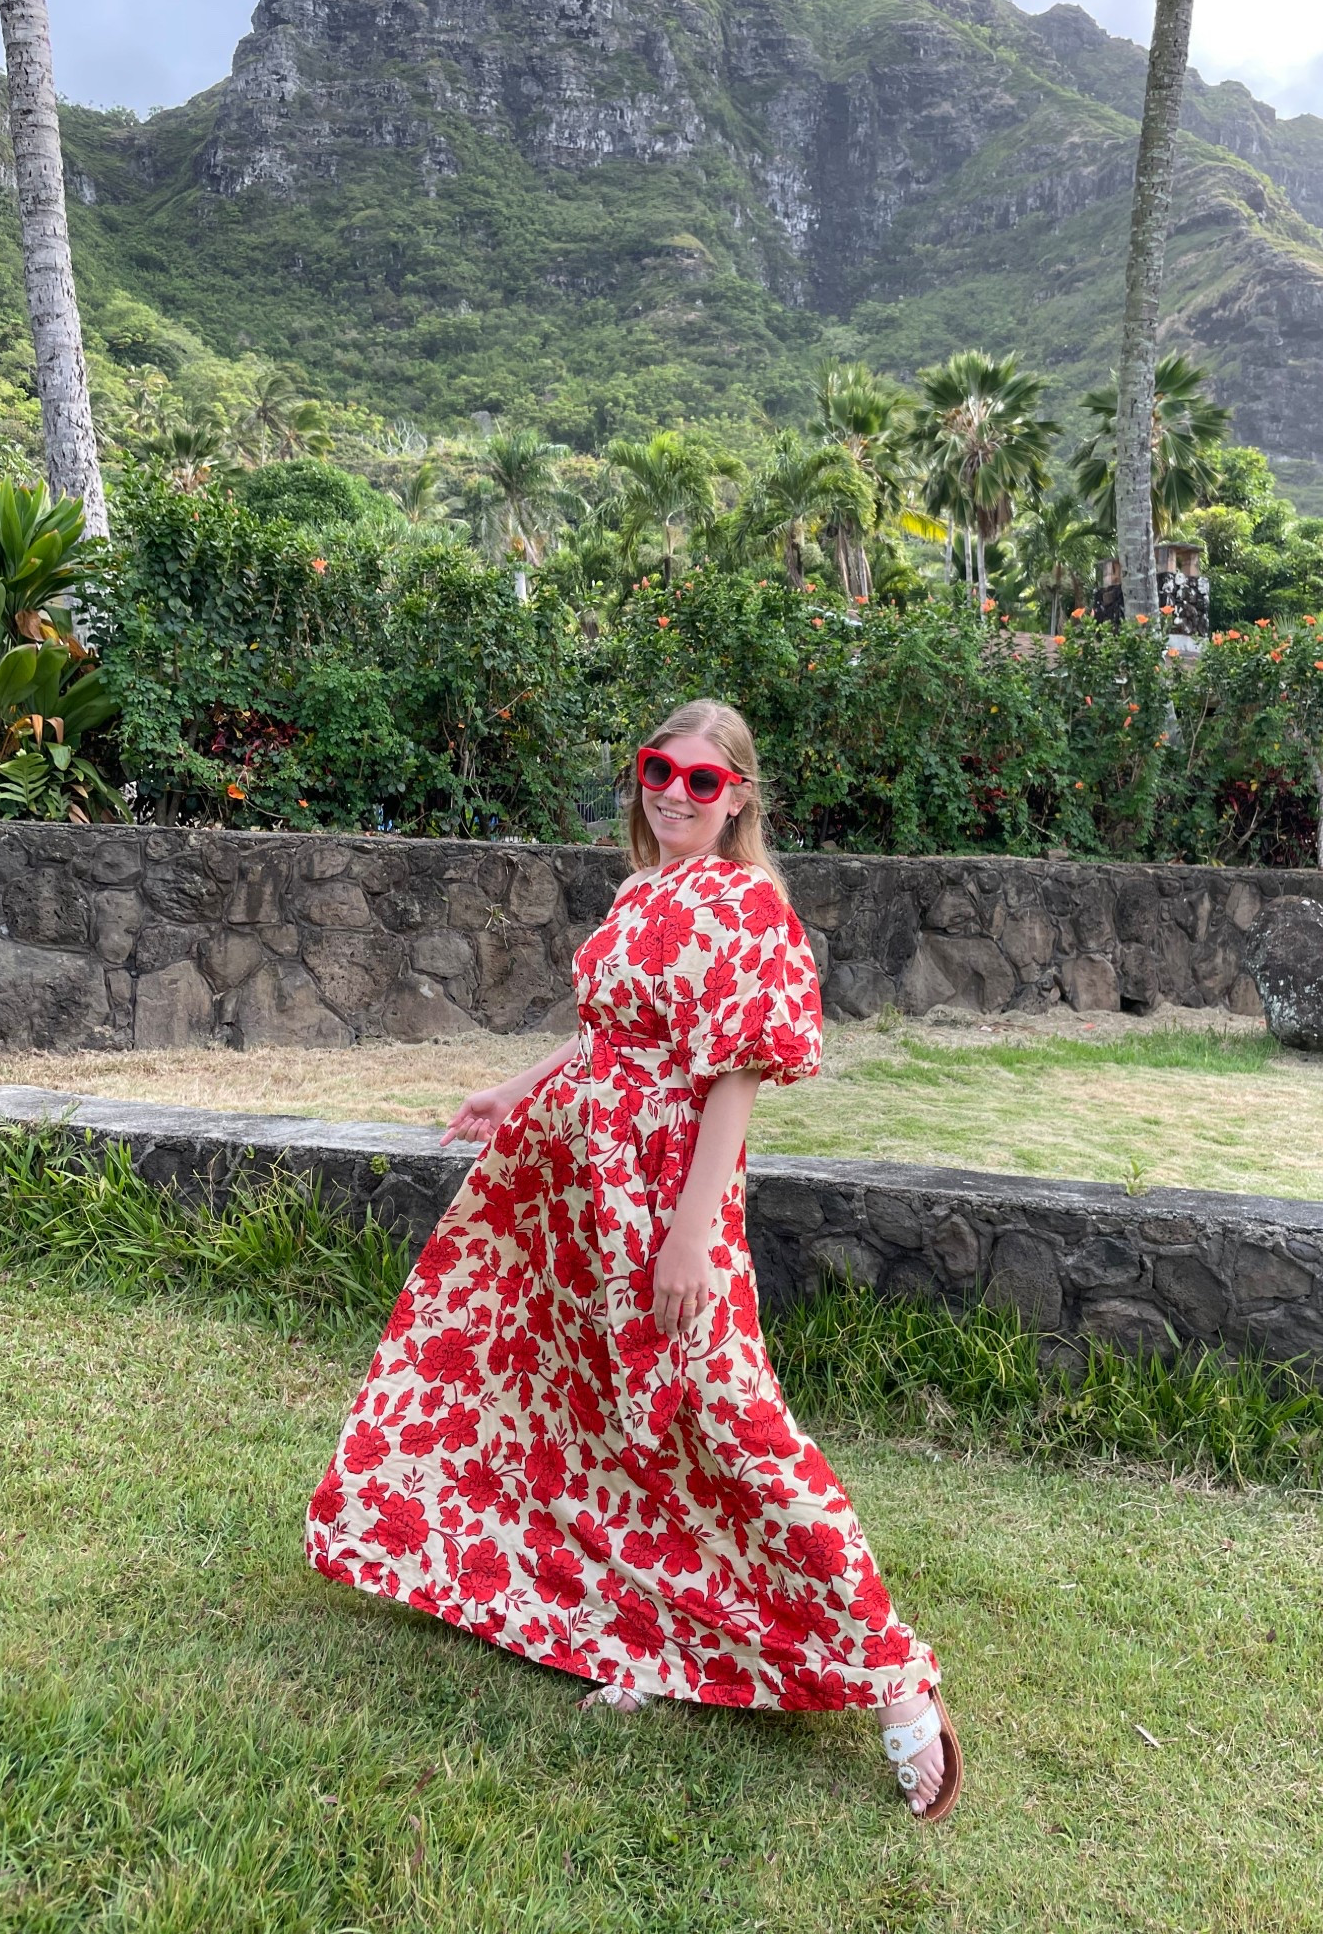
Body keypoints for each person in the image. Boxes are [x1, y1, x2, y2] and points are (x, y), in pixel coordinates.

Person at [306, 697, 961, 1820]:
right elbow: (606, 1029)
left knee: (731, 1417)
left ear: (739, 795)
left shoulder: (747, 901)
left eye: (702, 781)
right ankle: (646, 1635)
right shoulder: (642, 886)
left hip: (666, 1192)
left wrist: (694, 1232)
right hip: (581, 1187)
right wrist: (517, 1089)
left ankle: (894, 1670)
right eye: (660, 769)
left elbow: (734, 1078)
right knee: (612, 1415)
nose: (672, 792)